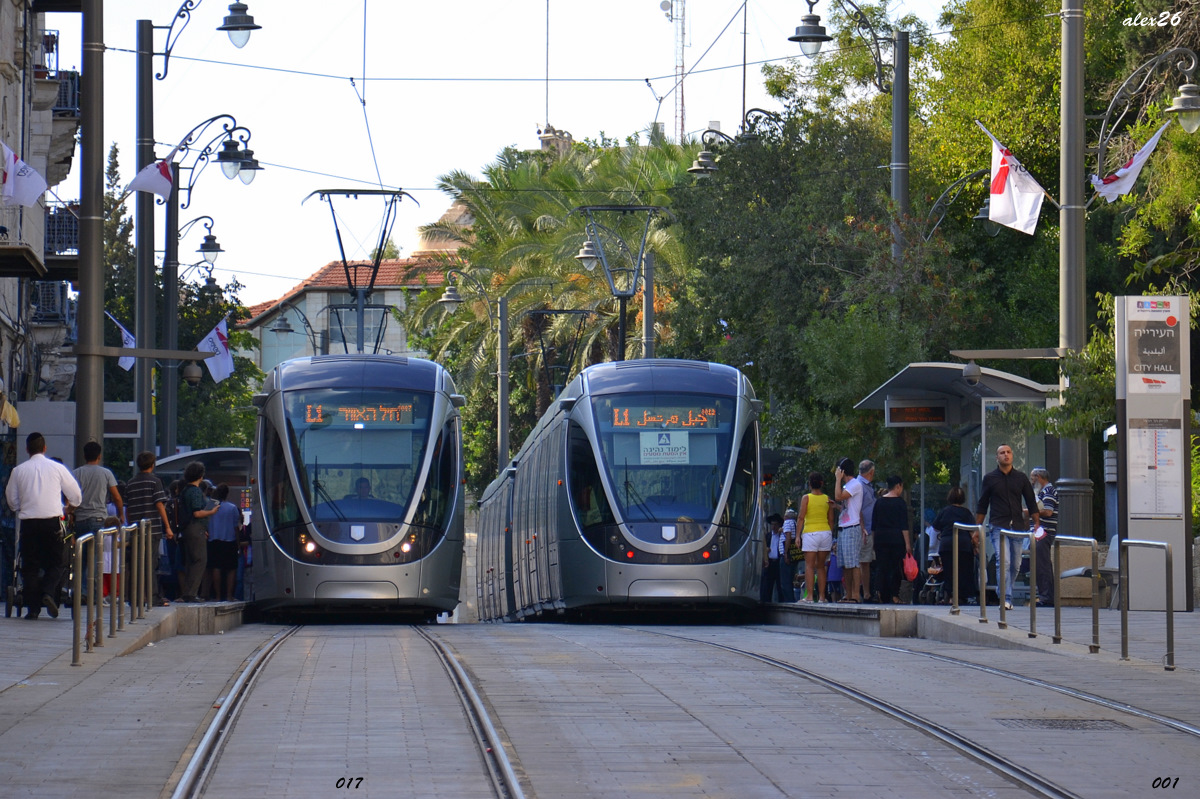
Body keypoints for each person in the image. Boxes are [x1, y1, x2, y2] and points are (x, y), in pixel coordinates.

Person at [4, 432, 82, 619]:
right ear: (45, 448)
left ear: (27, 450)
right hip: (51, 522)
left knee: (30, 565)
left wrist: (24, 506)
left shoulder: (18, 471)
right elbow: (76, 496)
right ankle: (48, 592)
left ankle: (33, 609)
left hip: (28, 523)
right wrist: (67, 507)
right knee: (56, 563)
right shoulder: (57, 468)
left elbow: (12, 501)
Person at [976, 444, 1039, 610]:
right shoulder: (990, 478)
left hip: (1017, 526)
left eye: (1008, 452)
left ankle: (1004, 592)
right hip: (998, 525)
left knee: (1016, 564)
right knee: (1003, 561)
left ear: (1012, 456)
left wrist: (1036, 522)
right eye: (1002, 453)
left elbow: (1031, 501)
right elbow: (982, 504)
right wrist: (977, 528)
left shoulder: (1021, 478)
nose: (1006, 455)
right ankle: (1006, 597)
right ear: (997, 458)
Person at [73, 441, 124, 602]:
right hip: (98, 519)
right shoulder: (106, 473)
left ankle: (80, 591)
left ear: (84, 455)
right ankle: (95, 594)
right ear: (99, 456)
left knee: (81, 557)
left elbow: (71, 496)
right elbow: (116, 496)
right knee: (95, 557)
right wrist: (120, 514)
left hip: (80, 519)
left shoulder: (76, 473)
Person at [124, 451, 175, 607]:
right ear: (153, 465)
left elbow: (128, 508)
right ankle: (152, 597)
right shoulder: (155, 482)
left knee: (135, 564)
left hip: (135, 530)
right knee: (150, 564)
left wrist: (130, 524)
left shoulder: (130, 483)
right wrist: (167, 527)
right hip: (152, 530)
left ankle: (134, 597)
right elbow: (159, 504)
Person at [177, 462, 219, 603]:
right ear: (201, 475)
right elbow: (197, 512)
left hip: (188, 529)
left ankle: (188, 592)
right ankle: (192, 593)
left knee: (191, 560)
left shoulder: (185, 490)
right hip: (195, 527)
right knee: (200, 560)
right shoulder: (195, 491)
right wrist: (211, 511)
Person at [935, 486, 979, 605]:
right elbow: (972, 531)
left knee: (949, 570)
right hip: (963, 544)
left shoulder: (944, 511)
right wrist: (976, 546)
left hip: (947, 544)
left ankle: (949, 595)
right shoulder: (966, 512)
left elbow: (936, 527)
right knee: (964, 570)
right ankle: (962, 595)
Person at [872, 475, 912, 604]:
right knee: (895, 567)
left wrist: (874, 541)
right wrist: (907, 543)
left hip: (880, 538)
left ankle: (879, 592)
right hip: (896, 539)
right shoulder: (900, 503)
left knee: (881, 567)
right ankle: (894, 595)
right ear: (898, 486)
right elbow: (904, 526)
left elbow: (874, 524)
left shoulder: (879, 502)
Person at [832, 457, 865, 603]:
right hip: (844, 527)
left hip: (852, 528)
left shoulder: (855, 484)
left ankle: (856, 595)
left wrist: (838, 480)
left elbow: (838, 496)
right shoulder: (848, 486)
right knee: (845, 563)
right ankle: (848, 593)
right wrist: (837, 507)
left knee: (854, 563)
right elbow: (847, 506)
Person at [798, 472, 835, 602]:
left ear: (809, 484)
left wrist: (797, 536)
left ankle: (809, 596)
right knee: (821, 566)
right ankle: (822, 596)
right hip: (825, 533)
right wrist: (829, 533)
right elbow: (831, 520)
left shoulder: (806, 498)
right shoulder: (827, 498)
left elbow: (801, 517)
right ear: (822, 484)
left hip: (810, 533)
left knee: (809, 566)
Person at [207, 484, 242, 602]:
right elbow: (236, 527)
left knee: (216, 568)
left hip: (213, 540)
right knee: (231, 569)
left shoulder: (211, 505)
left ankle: (217, 596)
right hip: (229, 541)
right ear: (227, 494)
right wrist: (238, 544)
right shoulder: (232, 508)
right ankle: (229, 595)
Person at [1030, 467, 1058, 607]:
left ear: (1039, 477)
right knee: (1041, 564)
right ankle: (1045, 595)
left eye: (1032, 478)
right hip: (1040, 531)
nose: (1031, 481)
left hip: (1044, 532)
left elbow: (1048, 511)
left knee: (1042, 565)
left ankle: (1046, 597)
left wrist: (1030, 511)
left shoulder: (1049, 491)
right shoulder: (1043, 492)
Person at [856, 460, 877, 602]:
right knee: (861, 561)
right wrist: (863, 528)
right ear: (871, 472)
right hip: (863, 529)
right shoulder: (860, 486)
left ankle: (866, 592)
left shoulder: (867, 486)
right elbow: (858, 509)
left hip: (869, 528)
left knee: (866, 561)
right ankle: (858, 592)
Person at [759, 513, 788, 603]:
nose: (774, 527)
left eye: (775, 524)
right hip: (770, 563)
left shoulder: (782, 536)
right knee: (767, 586)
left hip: (779, 562)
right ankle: (766, 603)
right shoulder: (767, 536)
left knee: (780, 585)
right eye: (772, 524)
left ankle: (782, 603)